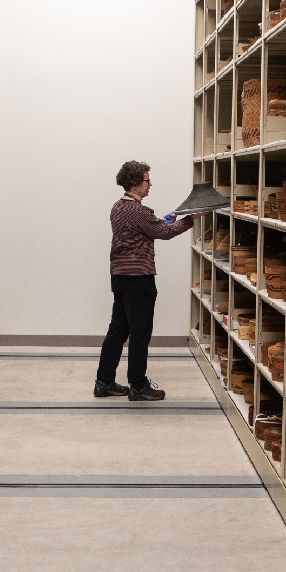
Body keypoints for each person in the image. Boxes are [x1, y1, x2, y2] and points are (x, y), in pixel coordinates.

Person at [95, 161, 194, 401]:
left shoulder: (119, 207)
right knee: (140, 333)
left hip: (119, 275)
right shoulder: (138, 211)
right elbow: (163, 232)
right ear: (136, 182)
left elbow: (151, 227)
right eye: (148, 180)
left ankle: (104, 382)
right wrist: (190, 220)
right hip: (138, 278)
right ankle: (138, 385)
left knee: (117, 330)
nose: (151, 184)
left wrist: (168, 219)